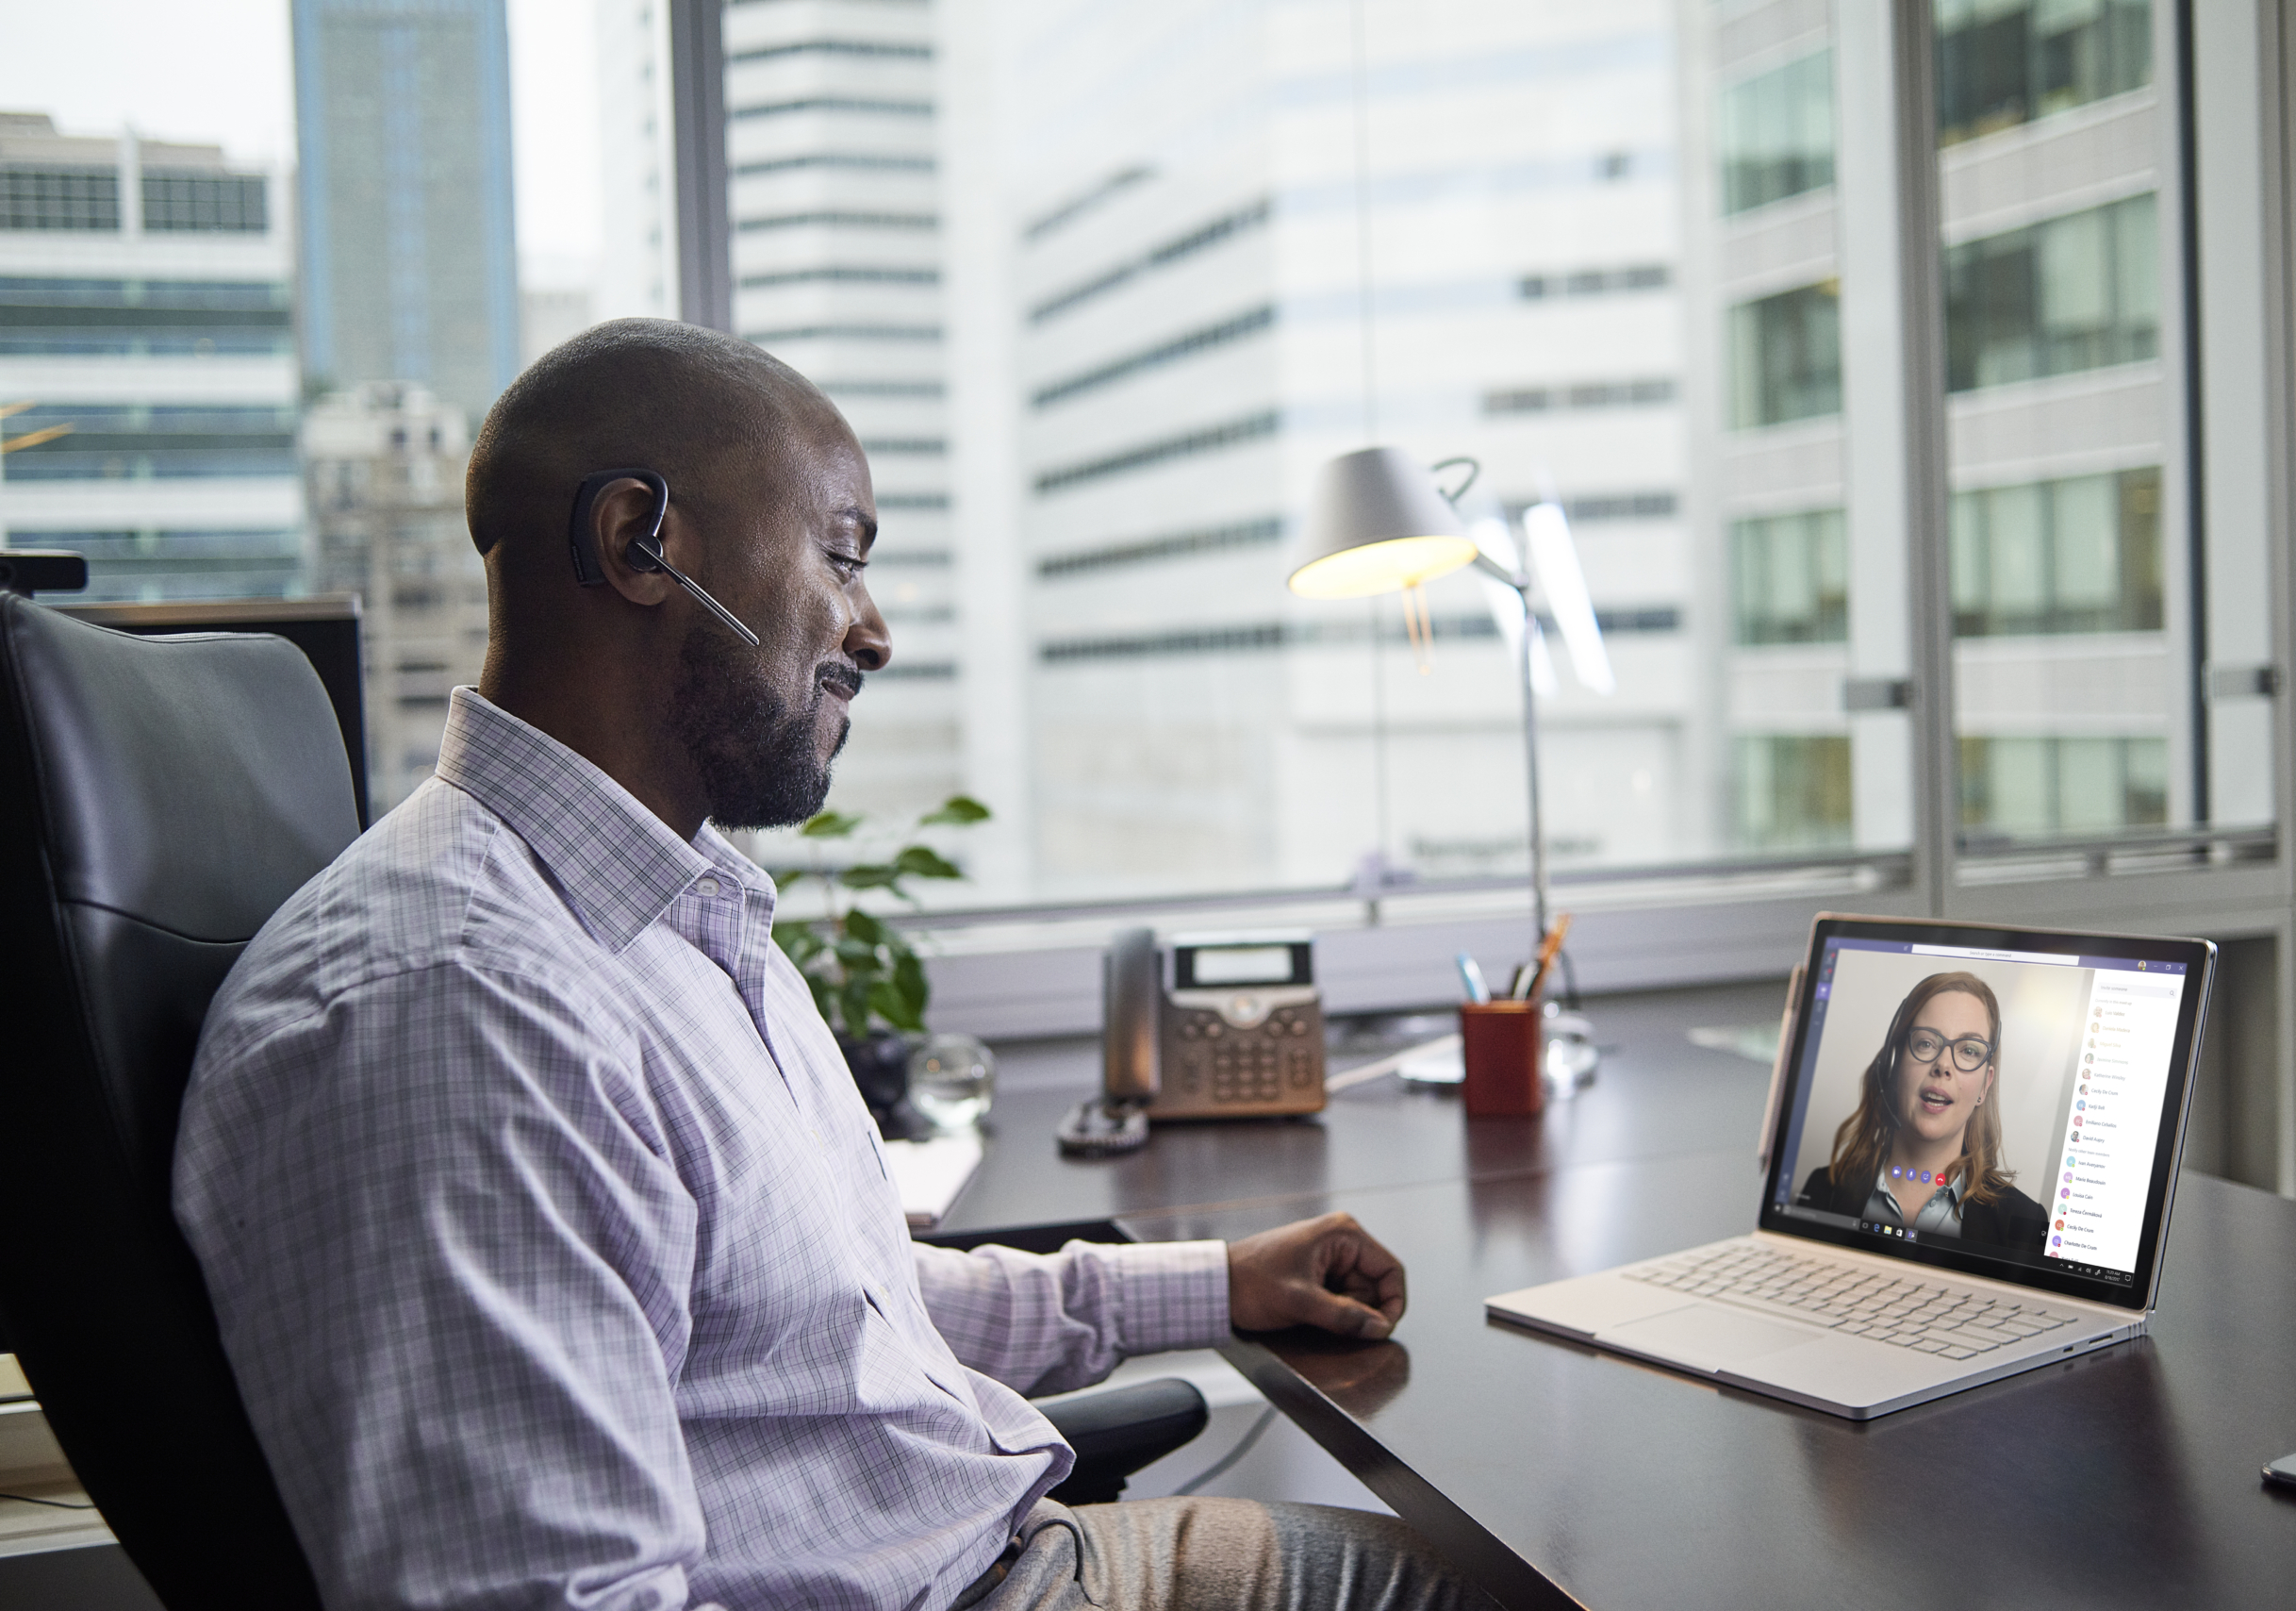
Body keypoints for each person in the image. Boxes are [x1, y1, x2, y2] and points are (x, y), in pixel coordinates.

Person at [172, 321, 1488, 1611]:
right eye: (842, 557)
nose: (874, 630)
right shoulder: (462, 1012)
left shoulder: (661, 923)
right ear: (642, 541)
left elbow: (834, 1310)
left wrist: (1219, 1282)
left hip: (1001, 1551)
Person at [1792, 971, 2048, 1252]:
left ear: (1984, 1086)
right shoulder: (1821, 1189)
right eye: (1926, 1043)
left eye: (1969, 1051)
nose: (1943, 1065)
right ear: (1895, 1063)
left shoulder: (2027, 1223)